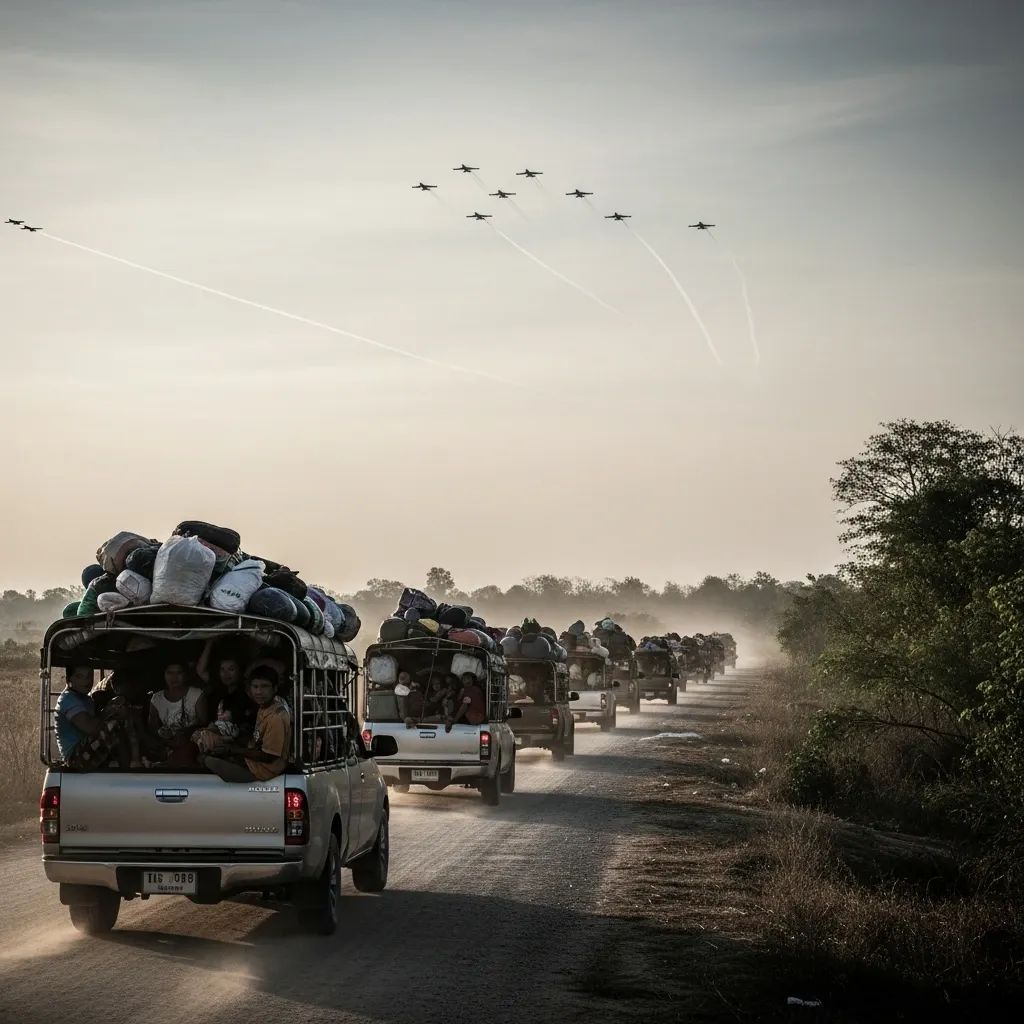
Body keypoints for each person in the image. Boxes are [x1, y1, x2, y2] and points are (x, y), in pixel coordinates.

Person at [201, 667, 291, 783]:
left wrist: (232, 750)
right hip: (253, 762)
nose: (259, 692)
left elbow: (268, 756)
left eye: (264, 686)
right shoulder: (264, 707)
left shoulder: (276, 717)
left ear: (275, 689)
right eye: (255, 687)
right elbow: (256, 741)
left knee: (205, 760)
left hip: (262, 772)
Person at [54, 666, 135, 769]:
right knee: (114, 725)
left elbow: (98, 722)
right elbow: (91, 728)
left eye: (89, 676)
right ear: (69, 679)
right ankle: (130, 768)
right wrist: (107, 711)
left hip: (89, 751)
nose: (86, 681)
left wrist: (112, 707)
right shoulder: (67, 699)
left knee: (123, 718)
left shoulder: (86, 699)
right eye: (80, 676)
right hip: (76, 758)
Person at [148, 662, 208, 764]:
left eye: (179, 673)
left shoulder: (196, 694)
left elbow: (205, 725)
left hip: (193, 745)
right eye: (170, 673)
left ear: (185, 675)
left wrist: (187, 732)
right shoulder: (157, 698)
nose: (174, 677)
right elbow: (153, 729)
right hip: (167, 745)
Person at [196, 639, 256, 738]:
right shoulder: (217, 687)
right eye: (222, 669)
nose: (226, 674)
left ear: (240, 671)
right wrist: (210, 641)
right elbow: (200, 670)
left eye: (231, 669)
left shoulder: (247, 692)